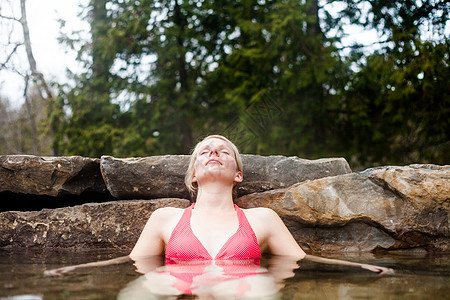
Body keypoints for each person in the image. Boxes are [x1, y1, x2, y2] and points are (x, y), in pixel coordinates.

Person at [44, 135, 393, 278]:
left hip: (244, 291)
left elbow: (302, 260)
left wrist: (359, 269)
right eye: (205, 152)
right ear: (194, 174)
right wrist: (76, 271)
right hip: (177, 289)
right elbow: (131, 262)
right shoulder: (165, 218)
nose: (213, 153)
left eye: (223, 151)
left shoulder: (263, 219)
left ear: (238, 174)